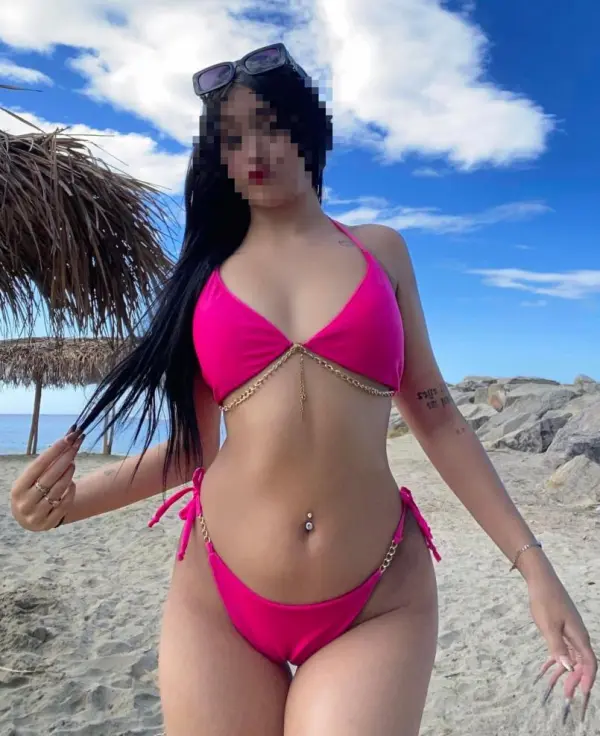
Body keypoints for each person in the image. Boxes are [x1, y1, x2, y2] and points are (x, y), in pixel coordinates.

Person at [10, 43, 596, 735]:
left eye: (268, 124)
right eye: (232, 138)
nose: (254, 150)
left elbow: (437, 419)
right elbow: (194, 450)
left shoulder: (381, 252)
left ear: (308, 129)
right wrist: (68, 506)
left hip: (378, 598)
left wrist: (534, 567)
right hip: (218, 598)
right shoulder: (203, 278)